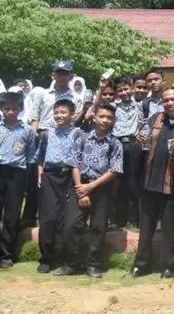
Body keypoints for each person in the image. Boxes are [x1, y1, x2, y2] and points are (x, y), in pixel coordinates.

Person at [55, 104, 123, 278]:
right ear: (94, 118)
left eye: (109, 118)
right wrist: (81, 189)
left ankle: (93, 264)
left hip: (101, 188)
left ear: (113, 121)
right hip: (80, 186)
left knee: (98, 227)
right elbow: (74, 164)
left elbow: (114, 170)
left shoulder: (115, 143)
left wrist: (90, 187)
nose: (105, 120)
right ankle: (71, 263)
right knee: (71, 224)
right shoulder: (82, 139)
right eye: (102, 116)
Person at [129, 87, 174, 279]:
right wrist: (139, 142)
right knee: (146, 228)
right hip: (149, 183)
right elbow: (142, 148)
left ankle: (169, 266)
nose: (170, 103)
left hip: (173, 185)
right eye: (166, 100)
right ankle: (141, 265)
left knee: (170, 229)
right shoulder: (155, 119)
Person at [26, 61, 83, 229]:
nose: (62, 76)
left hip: (66, 136)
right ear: (53, 75)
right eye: (58, 73)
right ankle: (29, 217)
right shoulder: (42, 94)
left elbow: (77, 118)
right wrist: (33, 136)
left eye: (65, 73)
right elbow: (34, 116)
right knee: (36, 180)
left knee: (63, 183)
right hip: (43, 135)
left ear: (71, 76)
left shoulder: (76, 97)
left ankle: (60, 218)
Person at [35, 99, 80, 273]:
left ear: (72, 114)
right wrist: (40, 174)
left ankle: (63, 256)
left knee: (66, 219)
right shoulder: (47, 134)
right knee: (48, 218)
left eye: (63, 112)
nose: (59, 115)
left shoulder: (77, 134)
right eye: (56, 112)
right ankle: (46, 258)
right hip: (49, 176)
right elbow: (40, 158)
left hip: (69, 176)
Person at [0, 92, 38, 268]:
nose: (11, 112)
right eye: (7, 109)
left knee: (12, 215)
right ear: (1, 109)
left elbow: (31, 156)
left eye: (14, 109)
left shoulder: (27, 131)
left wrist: (28, 180)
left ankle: (6, 254)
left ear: (20, 109)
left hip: (17, 174)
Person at [110, 78, 142, 229]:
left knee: (133, 181)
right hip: (117, 144)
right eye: (120, 90)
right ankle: (117, 219)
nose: (124, 93)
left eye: (126, 89)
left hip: (134, 143)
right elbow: (95, 106)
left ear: (132, 88)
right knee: (117, 182)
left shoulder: (140, 105)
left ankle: (133, 218)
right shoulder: (113, 106)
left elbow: (144, 123)